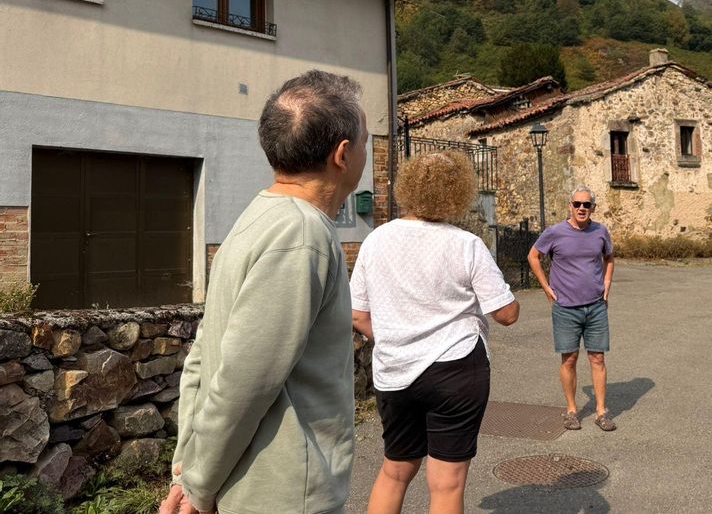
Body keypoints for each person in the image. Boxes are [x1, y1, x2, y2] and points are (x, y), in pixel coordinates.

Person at [160, 70, 368, 514]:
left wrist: (189, 466)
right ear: (343, 154)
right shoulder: (302, 233)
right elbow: (244, 382)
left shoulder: (256, 217)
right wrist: (197, 486)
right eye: (366, 141)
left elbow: (204, 355)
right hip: (283, 491)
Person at [350, 152, 519, 514]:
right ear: (459, 193)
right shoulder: (465, 244)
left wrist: (394, 336)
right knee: (446, 484)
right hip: (455, 368)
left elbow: (357, 313)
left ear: (407, 188)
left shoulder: (376, 241)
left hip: (395, 370)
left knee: (394, 471)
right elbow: (506, 314)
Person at [527, 187, 617, 432]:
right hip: (566, 308)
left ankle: (601, 412)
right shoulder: (555, 232)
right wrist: (546, 287)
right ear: (570, 205)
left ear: (593, 208)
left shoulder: (600, 232)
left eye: (586, 205)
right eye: (577, 204)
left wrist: (607, 284)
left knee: (598, 358)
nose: (581, 208)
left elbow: (609, 258)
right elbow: (533, 256)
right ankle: (571, 410)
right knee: (569, 359)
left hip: (596, 306)